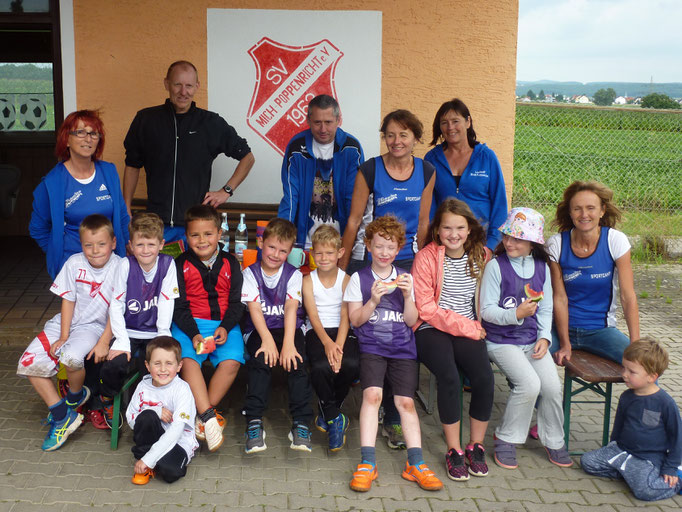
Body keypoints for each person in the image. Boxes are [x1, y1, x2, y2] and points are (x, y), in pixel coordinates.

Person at [344, 215, 443, 493]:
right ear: (368, 246)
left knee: (406, 403)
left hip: (402, 349)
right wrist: (373, 300)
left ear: (398, 249)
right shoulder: (359, 279)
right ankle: (367, 462)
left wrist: (409, 296)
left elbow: (412, 321)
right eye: (378, 246)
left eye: (390, 247)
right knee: (372, 396)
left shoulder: (405, 278)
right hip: (372, 347)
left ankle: (416, 463)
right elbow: (356, 320)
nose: (384, 253)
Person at [17, 215, 120, 451]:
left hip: (93, 327)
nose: (95, 251)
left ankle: (74, 395)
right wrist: (63, 336)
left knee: (71, 359)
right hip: (66, 323)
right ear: (81, 244)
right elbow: (68, 300)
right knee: (28, 363)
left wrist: (105, 340)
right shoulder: (74, 262)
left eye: (101, 244)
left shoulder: (120, 267)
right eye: (88, 245)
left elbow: (118, 309)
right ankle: (64, 416)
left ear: (113, 242)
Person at [123, 60, 255, 242]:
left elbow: (247, 157)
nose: (183, 92)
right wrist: (126, 208)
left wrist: (226, 190)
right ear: (166, 84)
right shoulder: (146, 120)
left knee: (194, 272)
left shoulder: (210, 123)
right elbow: (132, 164)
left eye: (189, 86)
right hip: (156, 227)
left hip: (195, 227)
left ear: (197, 86)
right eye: (177, 85)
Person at [480, 208, 572, 469]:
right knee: (529, 384)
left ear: (533, 242)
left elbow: (545, 309)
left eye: (517, 239)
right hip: (500, 341)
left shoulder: (542, 268)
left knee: (552, 387)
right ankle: (506, 437)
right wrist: (515, 314)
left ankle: (553, 439)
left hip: (531, 340)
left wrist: (545, 337)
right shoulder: (496, 267)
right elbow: (486, 312)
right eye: (508, 236)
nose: (509, 242)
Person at [412, 199, 495, 481]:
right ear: (438, 231)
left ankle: (476, 445)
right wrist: (467, 327)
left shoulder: (482, 255)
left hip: (468, 328)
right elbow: (426, 308)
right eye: (447, 227)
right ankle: (454, 450)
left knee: (483, 376)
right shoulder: (426, 257)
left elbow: (487, 297)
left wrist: (477, 327)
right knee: (449, 376)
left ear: (470, 229)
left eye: (460, 227)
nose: (454, 234)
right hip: (431, 328)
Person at [171, 205, 244, 452]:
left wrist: (225, 327)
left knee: (232, 362)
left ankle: (202, 413)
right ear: (186, 236)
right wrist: (193, 334)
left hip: (224, 325)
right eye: (195, 235)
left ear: (219, 233)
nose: (202, 240)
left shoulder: (231, 263)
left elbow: (236, 303)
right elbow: (178, 307)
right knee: (188, 362)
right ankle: (210, 418)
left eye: (208, 234)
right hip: (189, 326)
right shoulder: (179, 264)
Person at [99, 212, 179, 428]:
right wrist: (122, 339)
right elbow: (115, 305)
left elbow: (166, 300)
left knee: (155, 369)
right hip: (129, 332)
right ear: (131, 246)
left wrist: (163, 334)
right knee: (112, 367)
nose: (145, 250)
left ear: (161, 244)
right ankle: (107, 399)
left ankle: (154, 412)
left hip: (155, 332)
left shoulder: (168, 264)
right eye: (140, 244)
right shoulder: (125, 265)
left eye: (151, 244)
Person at [241, 218, 313, 453]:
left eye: (283, 251)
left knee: (297, 361)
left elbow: (291, 309)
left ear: (290, 252)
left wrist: (289, 345)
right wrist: (268, 342)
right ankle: (254, 421)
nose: (275, 254)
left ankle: (301, 423)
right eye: (272, 247)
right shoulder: (249, 273)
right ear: (261, 242)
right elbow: (254, 310)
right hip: (258, 329)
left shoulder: (293, 274)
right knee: (261, 360)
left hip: (288, 328)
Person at [547, 181, 640, 365]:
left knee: (644, 367)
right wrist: (565, 344)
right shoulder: (556, 244)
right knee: (531, 360)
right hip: (559, 330)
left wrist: (635, 345)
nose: (584, 215)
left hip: (601, 331)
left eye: (591, 208)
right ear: (570, 212)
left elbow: (628, 296)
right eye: (577, 209)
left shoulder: (615, 240)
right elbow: (560, 298)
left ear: (602, 211)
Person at [29, 110, 129, 279]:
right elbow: (38, 229)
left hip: (111, 266)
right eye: (80, 132)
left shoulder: (109, 172)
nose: (88, 138)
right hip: (73, 270)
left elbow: (122, 217)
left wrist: (125, 249)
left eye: (93, 133)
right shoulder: (52, 182)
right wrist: (58, 253)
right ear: (66, 139)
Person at [581, 340, 682, 501]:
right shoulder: (626, 397)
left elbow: (677, 437)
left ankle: (677, 482)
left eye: (632, 372)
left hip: (646, 457)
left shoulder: (665, 403)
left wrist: (671, 467)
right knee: (587, 462)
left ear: (652, 376)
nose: (624, 374)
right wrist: (612, 445)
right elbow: (619, 425)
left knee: (644, 491)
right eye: (624, 368)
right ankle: (628, 473)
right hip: (621, 450)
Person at [341, 109, 435, 273]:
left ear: (416, 139)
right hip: (369, 256)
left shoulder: (426, 171)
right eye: (390, 135)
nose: (396, 141)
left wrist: (423, 263)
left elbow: (423, 223)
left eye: (403, 135)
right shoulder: (370, 169)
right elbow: (354, 221)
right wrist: (341, 270)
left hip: (407, 258)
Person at [278, 94, 364, 249]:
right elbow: (291, 197)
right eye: (317, 122)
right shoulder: (297, 147)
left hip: (341, 240)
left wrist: (351, 243)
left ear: (339, 120)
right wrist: (282, 238)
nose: (323, 129)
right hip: (305, 240)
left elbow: (353, 199)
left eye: (328, 122)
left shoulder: (351, 148)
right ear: (308, 121)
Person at [302, 225, 359, 451]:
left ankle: (328, 409)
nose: (323, 258)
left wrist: (339, 346)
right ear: (312, 254)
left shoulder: (347, 279)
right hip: (318, 330)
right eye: (319, 253)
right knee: (319, 367)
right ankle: (336, 416)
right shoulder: (308, 280)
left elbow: (346, 315)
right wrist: (327, 343)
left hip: (342, 330)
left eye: (329, 253)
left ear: (340, 253)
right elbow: (313, 315)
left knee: (351, 364)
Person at [424, 98, 508, 250]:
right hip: (446, 242)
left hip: (481, 243)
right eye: (444, 122)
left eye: (456, 121)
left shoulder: (487, 157)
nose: (450, 127)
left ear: (468, 122)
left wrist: (491, 245)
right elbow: (428, 205)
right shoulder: (432, 159)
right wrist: (434, 241)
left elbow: (499, 204)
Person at [126, 336, 198, 485]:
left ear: (179, 366)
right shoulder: (143, 387)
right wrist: (155, 411)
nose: (163, 369)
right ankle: (147, 462)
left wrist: (149, 458)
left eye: (169, 363)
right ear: (147, 365)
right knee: (147, 416)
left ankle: (148, 460)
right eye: (157, 364)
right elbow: (131, 418)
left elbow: (176, 430)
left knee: (171, 473)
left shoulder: (182, 389)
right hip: (154, 437)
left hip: (178, 441)